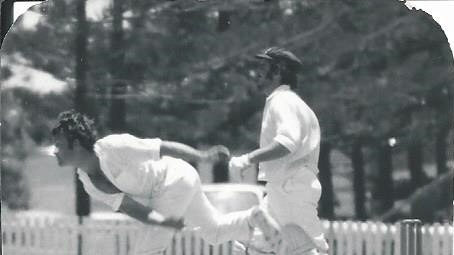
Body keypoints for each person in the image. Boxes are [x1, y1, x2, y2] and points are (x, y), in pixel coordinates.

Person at [51, 110, 283, 255]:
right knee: (214, 232)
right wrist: (164, 221)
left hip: (174, 179)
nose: (55, 152)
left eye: (59, 145)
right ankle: (253, 216)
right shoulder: (87, 181)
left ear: (77, 145)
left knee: (146, 250)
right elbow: (132, 208)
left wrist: (202, 157)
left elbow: (162, 147)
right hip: (174, 188)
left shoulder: (114, 147)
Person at [229, 47, 329, 254]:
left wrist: (248, 159)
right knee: (248, 244)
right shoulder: (288, 101)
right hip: (282, 188)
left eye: (264, 67)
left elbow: (287, 142)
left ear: (278, 71)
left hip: (291, 188)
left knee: (308, 249)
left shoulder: (283, 101)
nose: (257, 72)